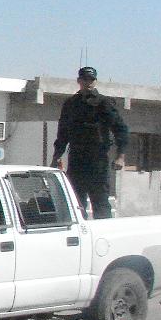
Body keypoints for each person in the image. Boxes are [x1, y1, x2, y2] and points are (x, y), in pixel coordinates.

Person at [51, 66, 129, 219]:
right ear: (79, 81)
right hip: (77, 159)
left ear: (95, 81)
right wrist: (57, 156)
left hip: (97, 159)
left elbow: (120, 129)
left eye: (91, 79)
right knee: (76, 202)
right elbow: (63, 133)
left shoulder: (104, 102)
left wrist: (121, 156)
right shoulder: (71, 103)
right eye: (85, 79)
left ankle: (104, 232)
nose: (88, 82)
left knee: (100, 202)